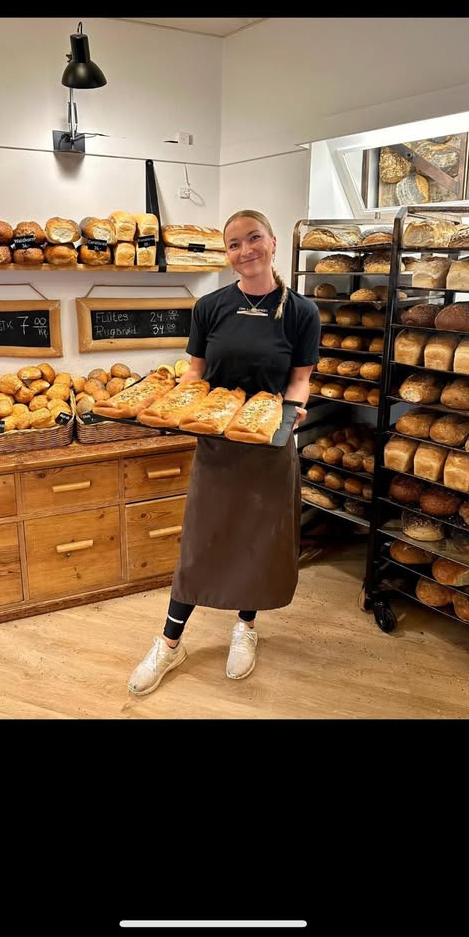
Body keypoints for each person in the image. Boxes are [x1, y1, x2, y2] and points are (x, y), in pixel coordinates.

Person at [128, 209, 321, 696]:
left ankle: (246, 628)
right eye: (234, 244)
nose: (245, 251)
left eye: (253, 238)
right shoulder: (210, 306)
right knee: (201, 542)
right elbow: (196, 375)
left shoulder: (300, 312)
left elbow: (300, 379)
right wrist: (162, 400)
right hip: (216, 444)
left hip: (268, 445)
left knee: (257, 540)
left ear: (273, 242)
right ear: (226, 254)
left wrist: (294, 409)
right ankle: (171, 644)